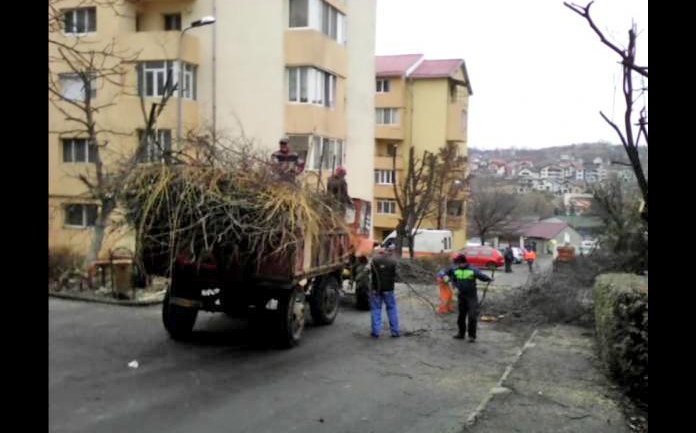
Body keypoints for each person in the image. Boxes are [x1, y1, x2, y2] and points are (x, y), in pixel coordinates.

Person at [440, 253, 493, 342]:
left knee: (472, 316)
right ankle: (461, 334)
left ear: (463, 262)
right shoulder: (455, 269)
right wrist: (446, 278)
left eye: (458, 263)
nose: (457, 265)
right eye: (456, 263)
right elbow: (443, 273)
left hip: (471, 296)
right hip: (461, 296)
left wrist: (489, 279)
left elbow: (481, 276)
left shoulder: (472, 270)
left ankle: (472, 336)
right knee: (461, 316)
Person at [369, 244, 400, 338]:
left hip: (376, 290)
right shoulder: (393, 261)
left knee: (376, 309)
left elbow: (369, 271)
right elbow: (397, 276)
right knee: (392, 309)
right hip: (389, 290)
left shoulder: (374, 260)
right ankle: (395, 332)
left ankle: (376, 332)